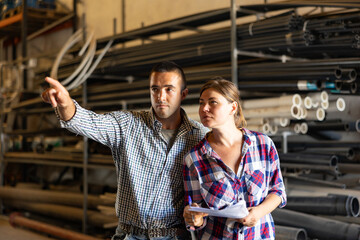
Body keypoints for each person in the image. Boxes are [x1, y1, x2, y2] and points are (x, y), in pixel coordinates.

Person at [41, 61, 209, 240]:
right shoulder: (128, 125)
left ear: (183, 94)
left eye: (169, 89)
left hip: (175, 236)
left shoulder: (200, 136)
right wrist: (65, 103)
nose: (160, 96)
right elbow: (88, 122)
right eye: (155, 89)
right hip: (130, 235)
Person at [182, 79, 286, 239]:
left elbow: (277, 190)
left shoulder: (262, 144)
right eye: (201, 103)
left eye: (213, 102)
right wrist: (194, 217)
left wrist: (258, 212)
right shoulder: (194, 159)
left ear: (233, 107)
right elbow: (197, 211)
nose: (204, 108)